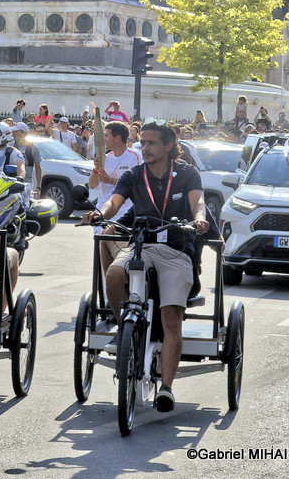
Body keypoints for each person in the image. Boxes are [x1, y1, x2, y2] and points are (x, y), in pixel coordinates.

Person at [81, 121, 209, 412]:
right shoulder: (136, 175)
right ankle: (124, 328)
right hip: (142, 245)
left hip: (176, 250)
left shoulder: (187, 173)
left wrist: (199, 218)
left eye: (151, 143)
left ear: (167, 146)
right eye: (144, 143)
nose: (145, 148)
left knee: (171, 318)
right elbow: (114, 202)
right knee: (115, 273)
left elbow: (198, 203)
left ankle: (166, 388)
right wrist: (99, 213)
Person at [88, 121, 143, 274]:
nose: (104, 139)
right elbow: (93, 185)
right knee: (102, 262)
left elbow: (137, 183)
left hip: (124, 216)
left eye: (107, 135)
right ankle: (105, 296)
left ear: (117, 138)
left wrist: (111, 180)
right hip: (103, 214)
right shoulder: (105, 158)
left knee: (121, 262)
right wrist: (96, 169)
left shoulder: (134, 156)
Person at [11, 122, 42, 197]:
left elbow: (38, 168)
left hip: (27, 183)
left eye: (16, 131)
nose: (13, 133)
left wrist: (38, 187)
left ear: (23, 132)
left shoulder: (34, 149)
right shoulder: (10, 147)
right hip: (12, 182)